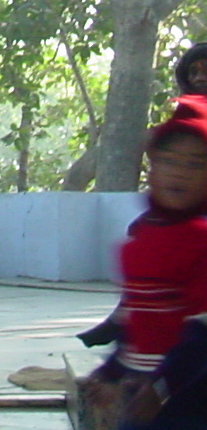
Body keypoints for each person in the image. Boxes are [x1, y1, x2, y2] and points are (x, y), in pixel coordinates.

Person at [85, 95, 207, 429]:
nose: (179, 173)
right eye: (168, 160)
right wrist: (110, 373)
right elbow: (136, 324)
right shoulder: (137, 244)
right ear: (151, 170)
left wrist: (162, 388)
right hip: (143, 397)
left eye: (196, 164)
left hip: (192, 398)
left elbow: (202, 333)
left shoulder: (202, 242)